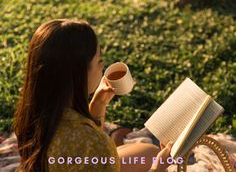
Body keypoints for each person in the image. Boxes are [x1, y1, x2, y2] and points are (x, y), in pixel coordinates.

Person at [14, 19, 172, 171]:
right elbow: (89, 144)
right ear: (80, 73)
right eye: (98, 61)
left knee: (149, 152)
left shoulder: (32, 115)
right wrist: (157, 168)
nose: (102, 65)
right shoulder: (92, 142)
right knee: (155, 158)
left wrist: (98, 105)